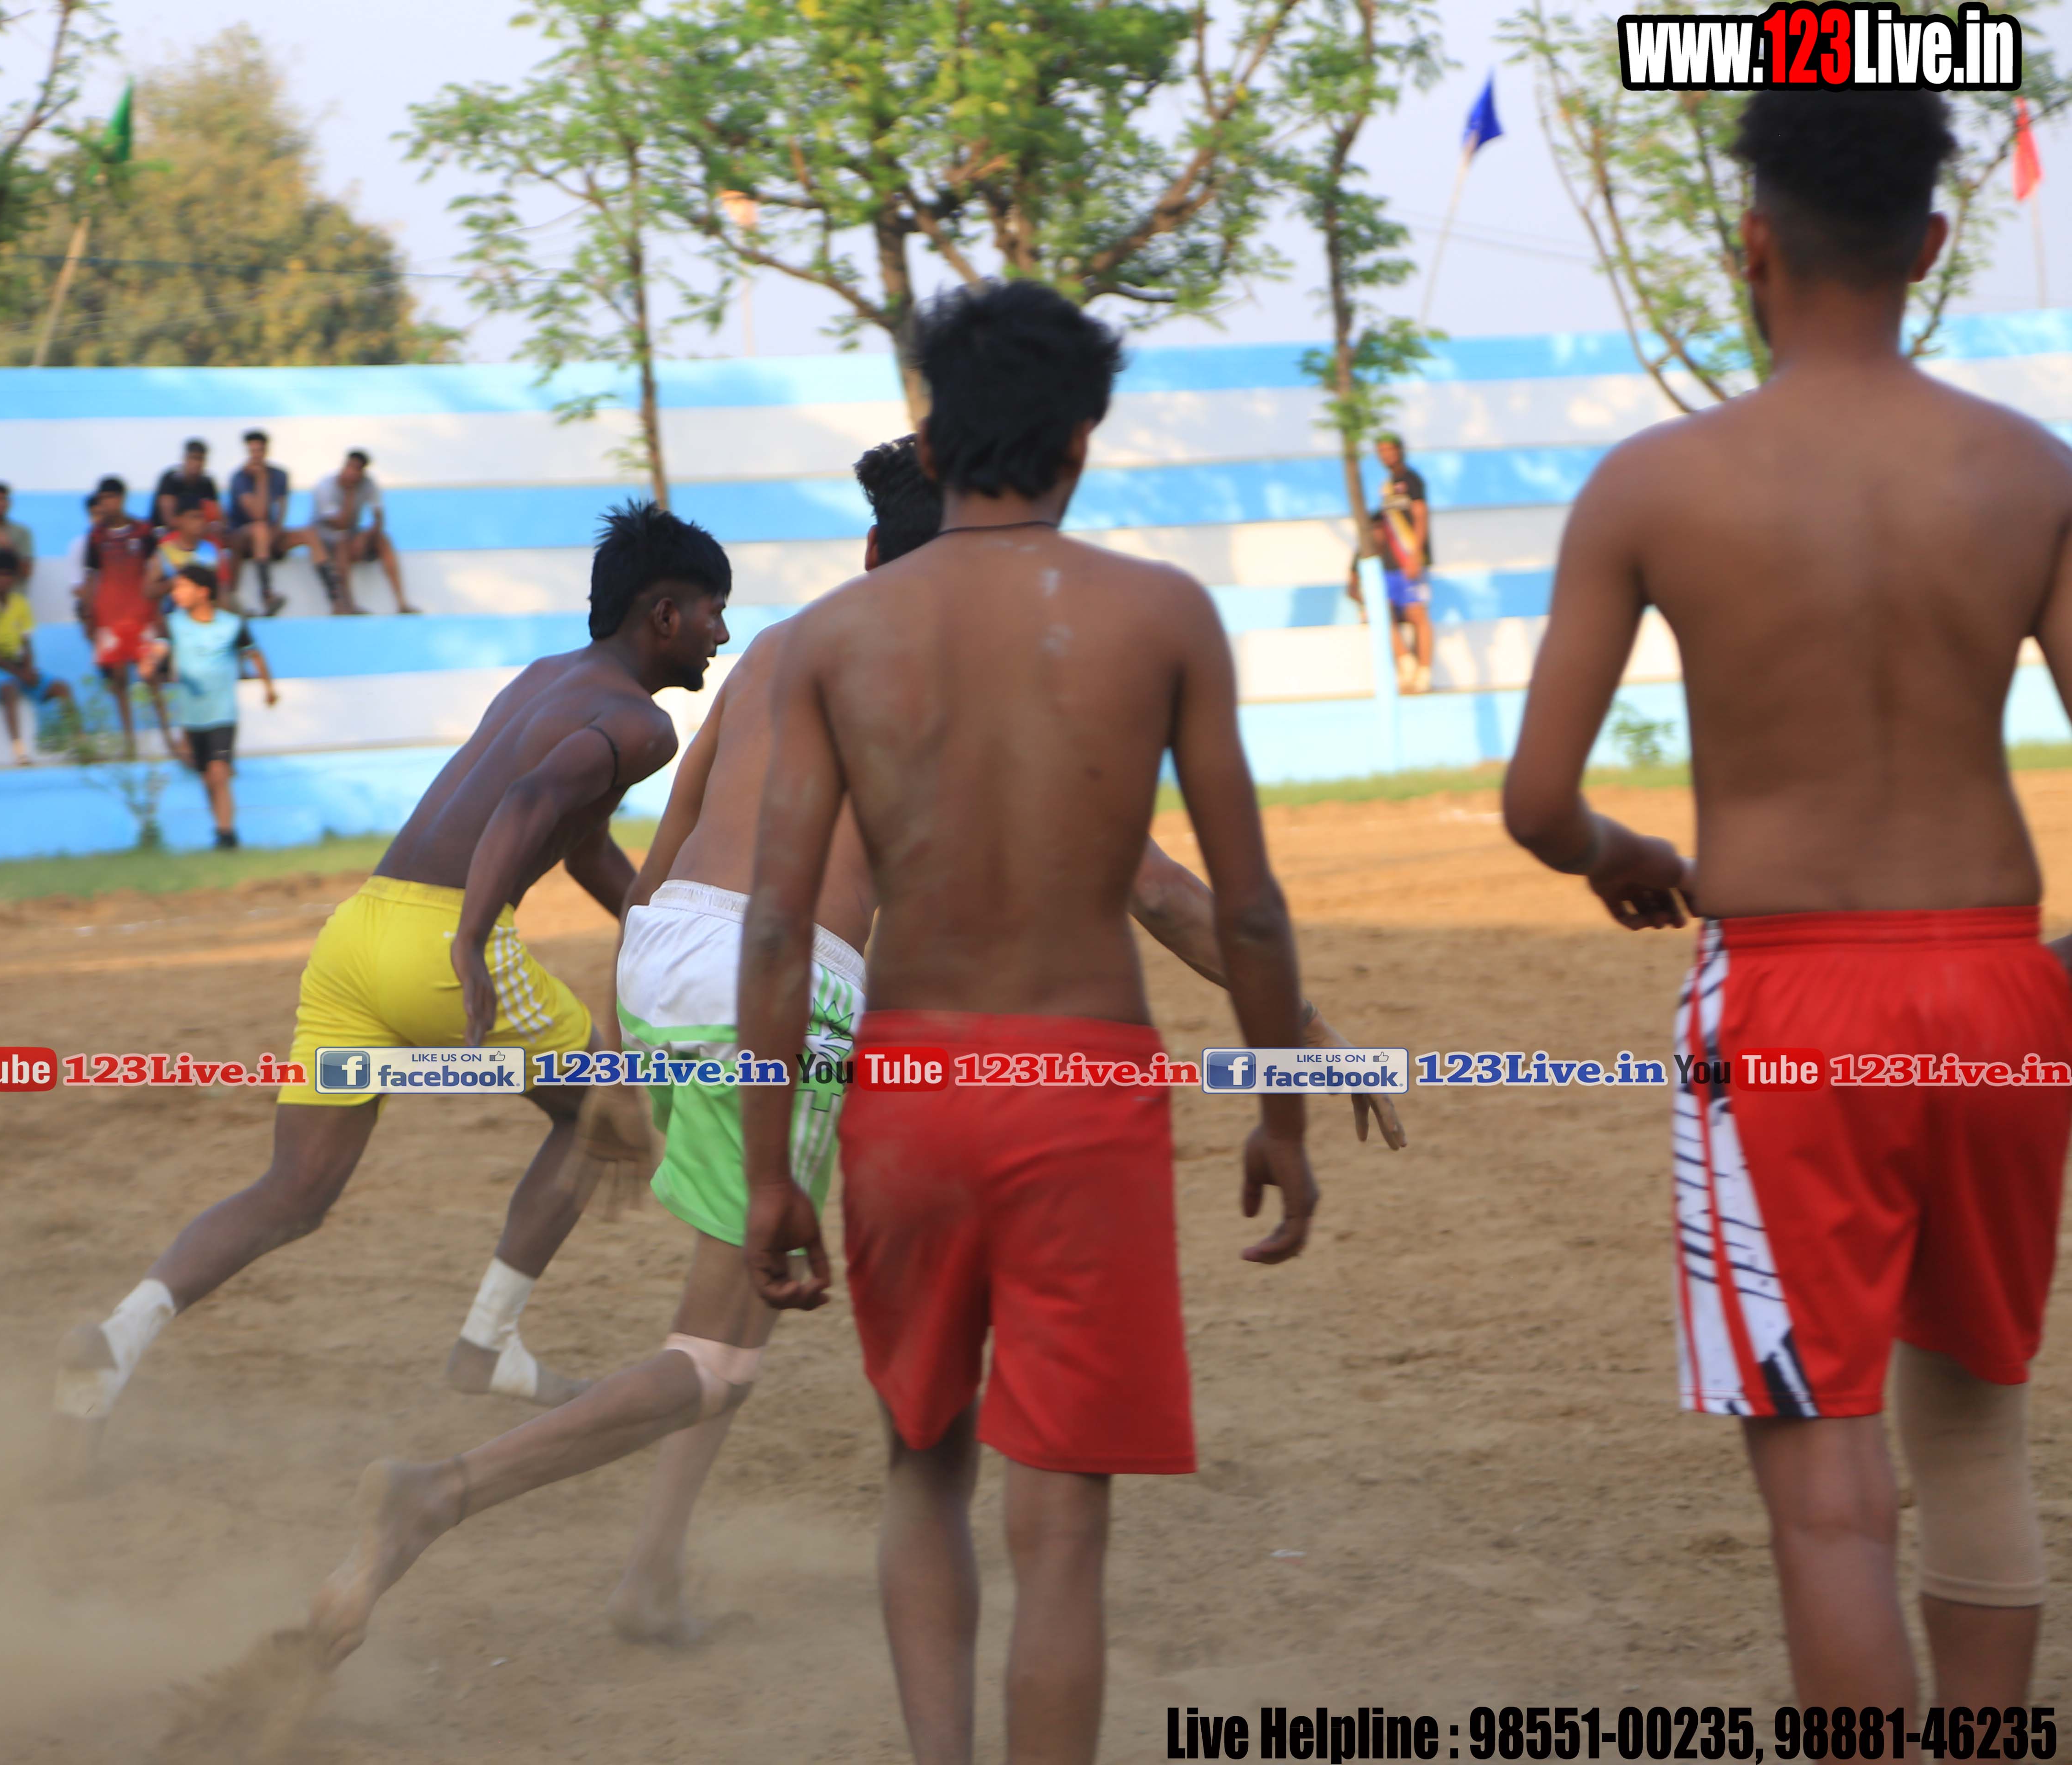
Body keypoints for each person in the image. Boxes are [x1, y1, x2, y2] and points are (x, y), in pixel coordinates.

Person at [293, 433, 1404, 1684]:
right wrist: (1309, 1034)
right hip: (778, 990)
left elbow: (659, 868)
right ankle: (436, 1493)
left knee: (738, 1285)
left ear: (874, 547)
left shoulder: (780, 645)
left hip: (665, 964)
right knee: (715, 1356)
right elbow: (1155, 892)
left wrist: (614, 1052)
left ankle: (651, 1570)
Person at [1503, 91, 2072, 1710]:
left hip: (1788, 1002)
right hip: (1999, 989)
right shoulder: (2034, 472)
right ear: (1933, 245)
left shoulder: (1655, 483)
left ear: (1751, 243)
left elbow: (1538, 802)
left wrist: (1615, 852)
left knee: (1826, 1479)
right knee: (1976, 1429)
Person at [726, 285, 1318, 1765]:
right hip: (1081, 1088)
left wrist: (766, 1167)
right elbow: (1245, 912)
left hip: (909, 1090)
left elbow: (778, 928)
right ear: (1081, 437)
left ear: (930, 443)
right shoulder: (1162, 615)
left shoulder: (833, 637)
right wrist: (1285, 1114)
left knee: (922, 1463)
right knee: (1061, 1524)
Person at [50, 500, 731, 1471]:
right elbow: (530, 800)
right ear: (664, 614)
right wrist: (472, 939)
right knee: (600, 1113)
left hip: (357, 936)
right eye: (713, 611)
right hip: (442, 942)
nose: (721, 634)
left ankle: (119, 1339)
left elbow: (578, 842)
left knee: (295, 1190)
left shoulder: (546, 679)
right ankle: (487, 1343)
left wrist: (656, 926)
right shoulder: (642, 723)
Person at [141, 562, 275, 848]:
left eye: (182, 587)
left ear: (203, 592)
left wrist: (269, 688)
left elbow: (254, 654)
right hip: (192, 716)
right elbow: (160, 649)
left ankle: (227, 834)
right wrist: (150, 663)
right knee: (206, 778)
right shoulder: (173, 624)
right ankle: (222, 829)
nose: (176, 593)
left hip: (222, 714)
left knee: (218, 772)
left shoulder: (231, 625)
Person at [74, 476, 166, 752]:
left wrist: (157, 611)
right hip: (109, 618)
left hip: (141, 615)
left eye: (111, 497)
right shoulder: (96, 536)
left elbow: (155, 570)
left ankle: (167, 736)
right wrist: (89, 615)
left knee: (151, 676)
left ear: (122, 499)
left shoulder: (143, 531)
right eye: (103, 499)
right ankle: (129, 741)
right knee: (119, 679)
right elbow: (91, 577)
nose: (106, 504)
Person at [0, 546, 72, 765]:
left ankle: (79, 744)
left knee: (62, 688)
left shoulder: (21, 604)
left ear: (14, 579)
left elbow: (27, 644)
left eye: (7, 575)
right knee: (9, 688)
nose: (2, 580)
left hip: (16, 667)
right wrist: (19, 673)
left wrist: (29, 669)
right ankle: (19, 751)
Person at [306, 449, 417, 616]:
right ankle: (349, 605)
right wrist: (350, 494)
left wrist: (366, 536)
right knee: (342, 542)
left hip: (351, 534)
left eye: (358, 470)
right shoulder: (325, 487)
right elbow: (340, 524)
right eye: (351, 468)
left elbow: (379, 518)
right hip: (326, 539)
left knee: (383, 540)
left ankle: (402, 603)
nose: (353, 474)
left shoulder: (368, 484)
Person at [1376, 434, 1434, 694]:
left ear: (1400, 451)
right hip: (1390, 564)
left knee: (1417, 614)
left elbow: (1421, 517)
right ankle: (1405, 662)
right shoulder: (1386, 486)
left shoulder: (1412, 480)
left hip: (1410, 558)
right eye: (1381, 451)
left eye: (1390, 450)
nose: (1386, 455)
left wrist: (1415, 556)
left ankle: (1425, 672)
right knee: (1383, 611)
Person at [223, 428, 292, 617]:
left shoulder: (280, 475)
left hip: (267, 535)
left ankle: (336, 597)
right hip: (240, 536)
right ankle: (267, 594)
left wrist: (278, 529)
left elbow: (282, 506)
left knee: (309, 534)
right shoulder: (239, 478)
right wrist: (262, 479)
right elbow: (258, 514)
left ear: (266, 450)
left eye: (259, 450)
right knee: (260, 529)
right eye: (252, 451)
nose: (256, 455)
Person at [153, 438, 221, 527]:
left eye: (200, 459)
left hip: (198, 530)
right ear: (185, 459)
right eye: (193, 458)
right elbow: (169, 519)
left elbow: (217, 515)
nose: (197, 463)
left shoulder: (207, 483)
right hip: (166, 530)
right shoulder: (171, 479)